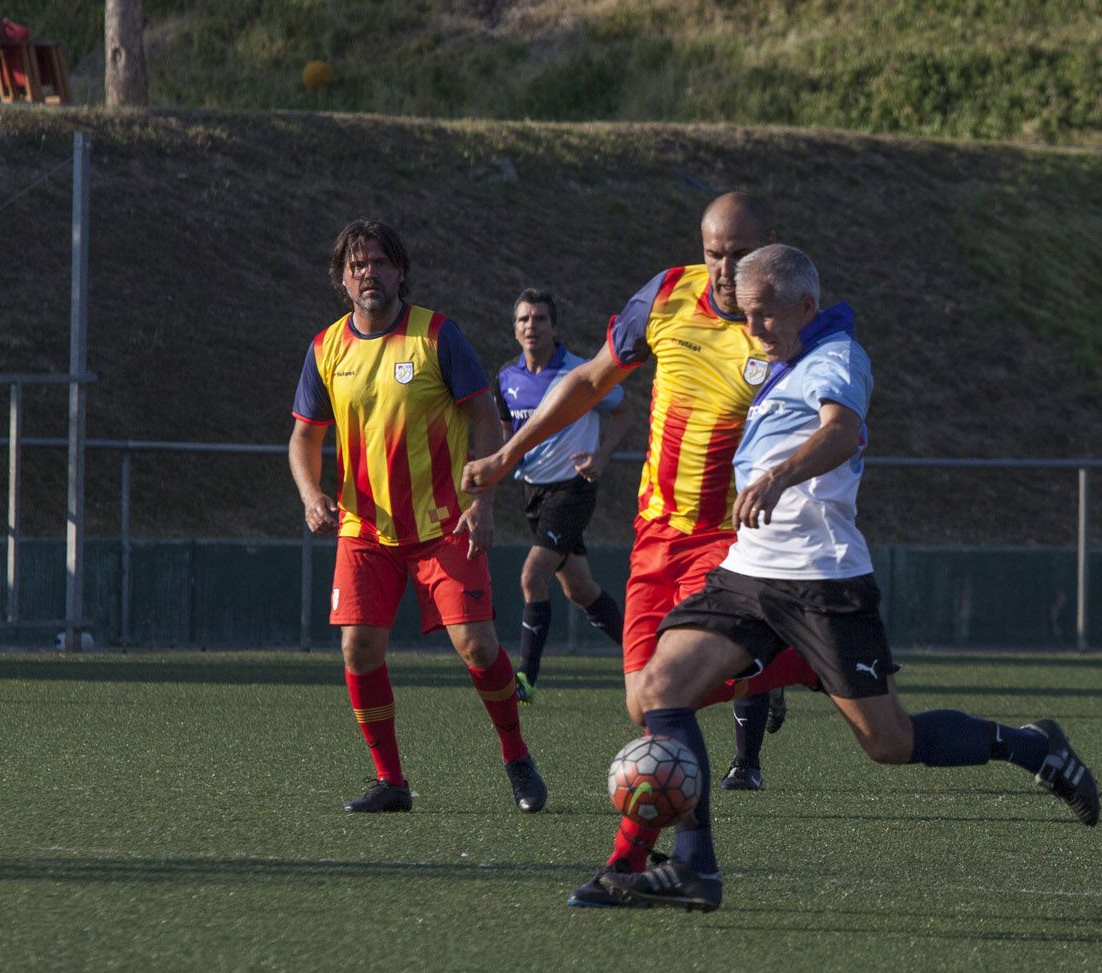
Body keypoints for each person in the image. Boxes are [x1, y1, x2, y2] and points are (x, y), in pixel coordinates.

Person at [596, 244, 1101, 911]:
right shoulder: (781, 362)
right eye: (746, 317)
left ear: (806, 306)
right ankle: (695, 869)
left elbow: (840, 431)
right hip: (748, 572)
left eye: (766, 317)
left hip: (821, 581)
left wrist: (779, 474)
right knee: (659, 692)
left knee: (888, 741)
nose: (754, 331)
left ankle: (1030, 745)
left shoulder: (839, 359)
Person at [463, 193, 816, 905]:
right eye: (714, 252)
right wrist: (505, 457)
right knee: (641, 703)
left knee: (667, 695)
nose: (724, 268)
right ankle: (788, 665)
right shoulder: (664, 295)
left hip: (729, 540)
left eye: (741, 254)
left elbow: (829, 428)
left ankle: (662, 864)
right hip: (655, 535)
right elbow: (593, 378)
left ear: (770, 246)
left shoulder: (785, 330)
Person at [288, 219, 547, 816]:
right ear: (342, 280)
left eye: (379, 262)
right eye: (356, 266)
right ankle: (391, 781)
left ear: (400, 271)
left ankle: (516, 755)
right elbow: (303, 437)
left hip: (445, 523)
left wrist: (483, 501)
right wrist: (310, 494)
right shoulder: (326, 349)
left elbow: (485, 419)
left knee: (478, 647)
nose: (368, 274)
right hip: (365, 527)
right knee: (358, 649)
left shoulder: (437, 335)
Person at [495, 288, 631, 704]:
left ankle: (526, 679)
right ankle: (642, 654)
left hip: (572, 491)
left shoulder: (580, 373)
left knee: (532, 576)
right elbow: (506, 431)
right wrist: (497, 463)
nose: (531, 326)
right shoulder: (506, 378)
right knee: (580, 588)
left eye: (539, 319)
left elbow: (625, 411)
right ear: (515, 329)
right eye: (523, 320)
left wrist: (602, 456)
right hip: (532, 493)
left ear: (554, 328)